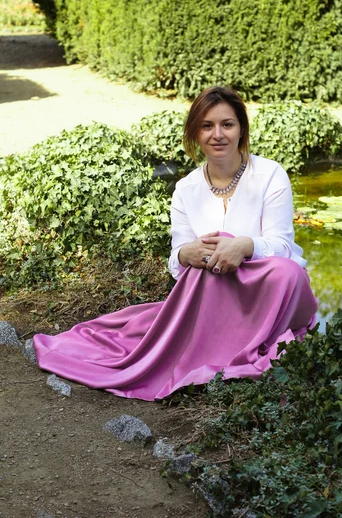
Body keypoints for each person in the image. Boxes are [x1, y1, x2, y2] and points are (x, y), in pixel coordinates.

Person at [33, 86, 318, 401]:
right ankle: (214, 344)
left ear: (241, 130)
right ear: (195, 133)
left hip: (266, 289)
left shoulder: (270, 175)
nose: (217, 134)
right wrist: (187, 253)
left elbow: (281, 245)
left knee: (289, 272)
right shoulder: (185, 189)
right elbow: (177, 265)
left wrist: (243, 246)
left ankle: (238, 337)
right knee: (202, 259)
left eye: (227, 124)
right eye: (207, 126)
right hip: (216, 294)